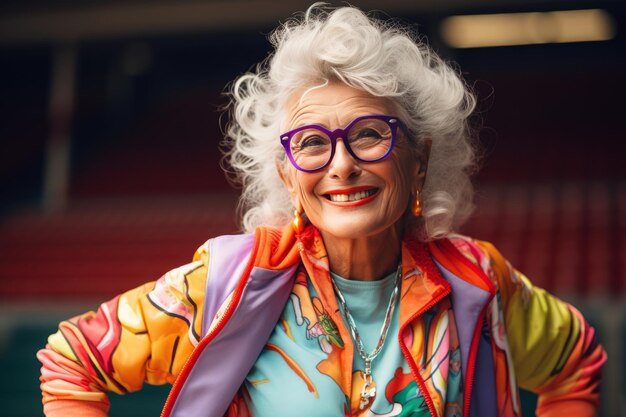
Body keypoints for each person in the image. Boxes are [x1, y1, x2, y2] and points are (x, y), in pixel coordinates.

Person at [38, 4, 606, 417]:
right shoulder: (226, 283)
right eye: (311, 143)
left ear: (421, 158)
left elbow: (577, 361)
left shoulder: (478, 280)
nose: (341, 165)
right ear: (287, 173)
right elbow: (72, 360)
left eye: (369, 134)